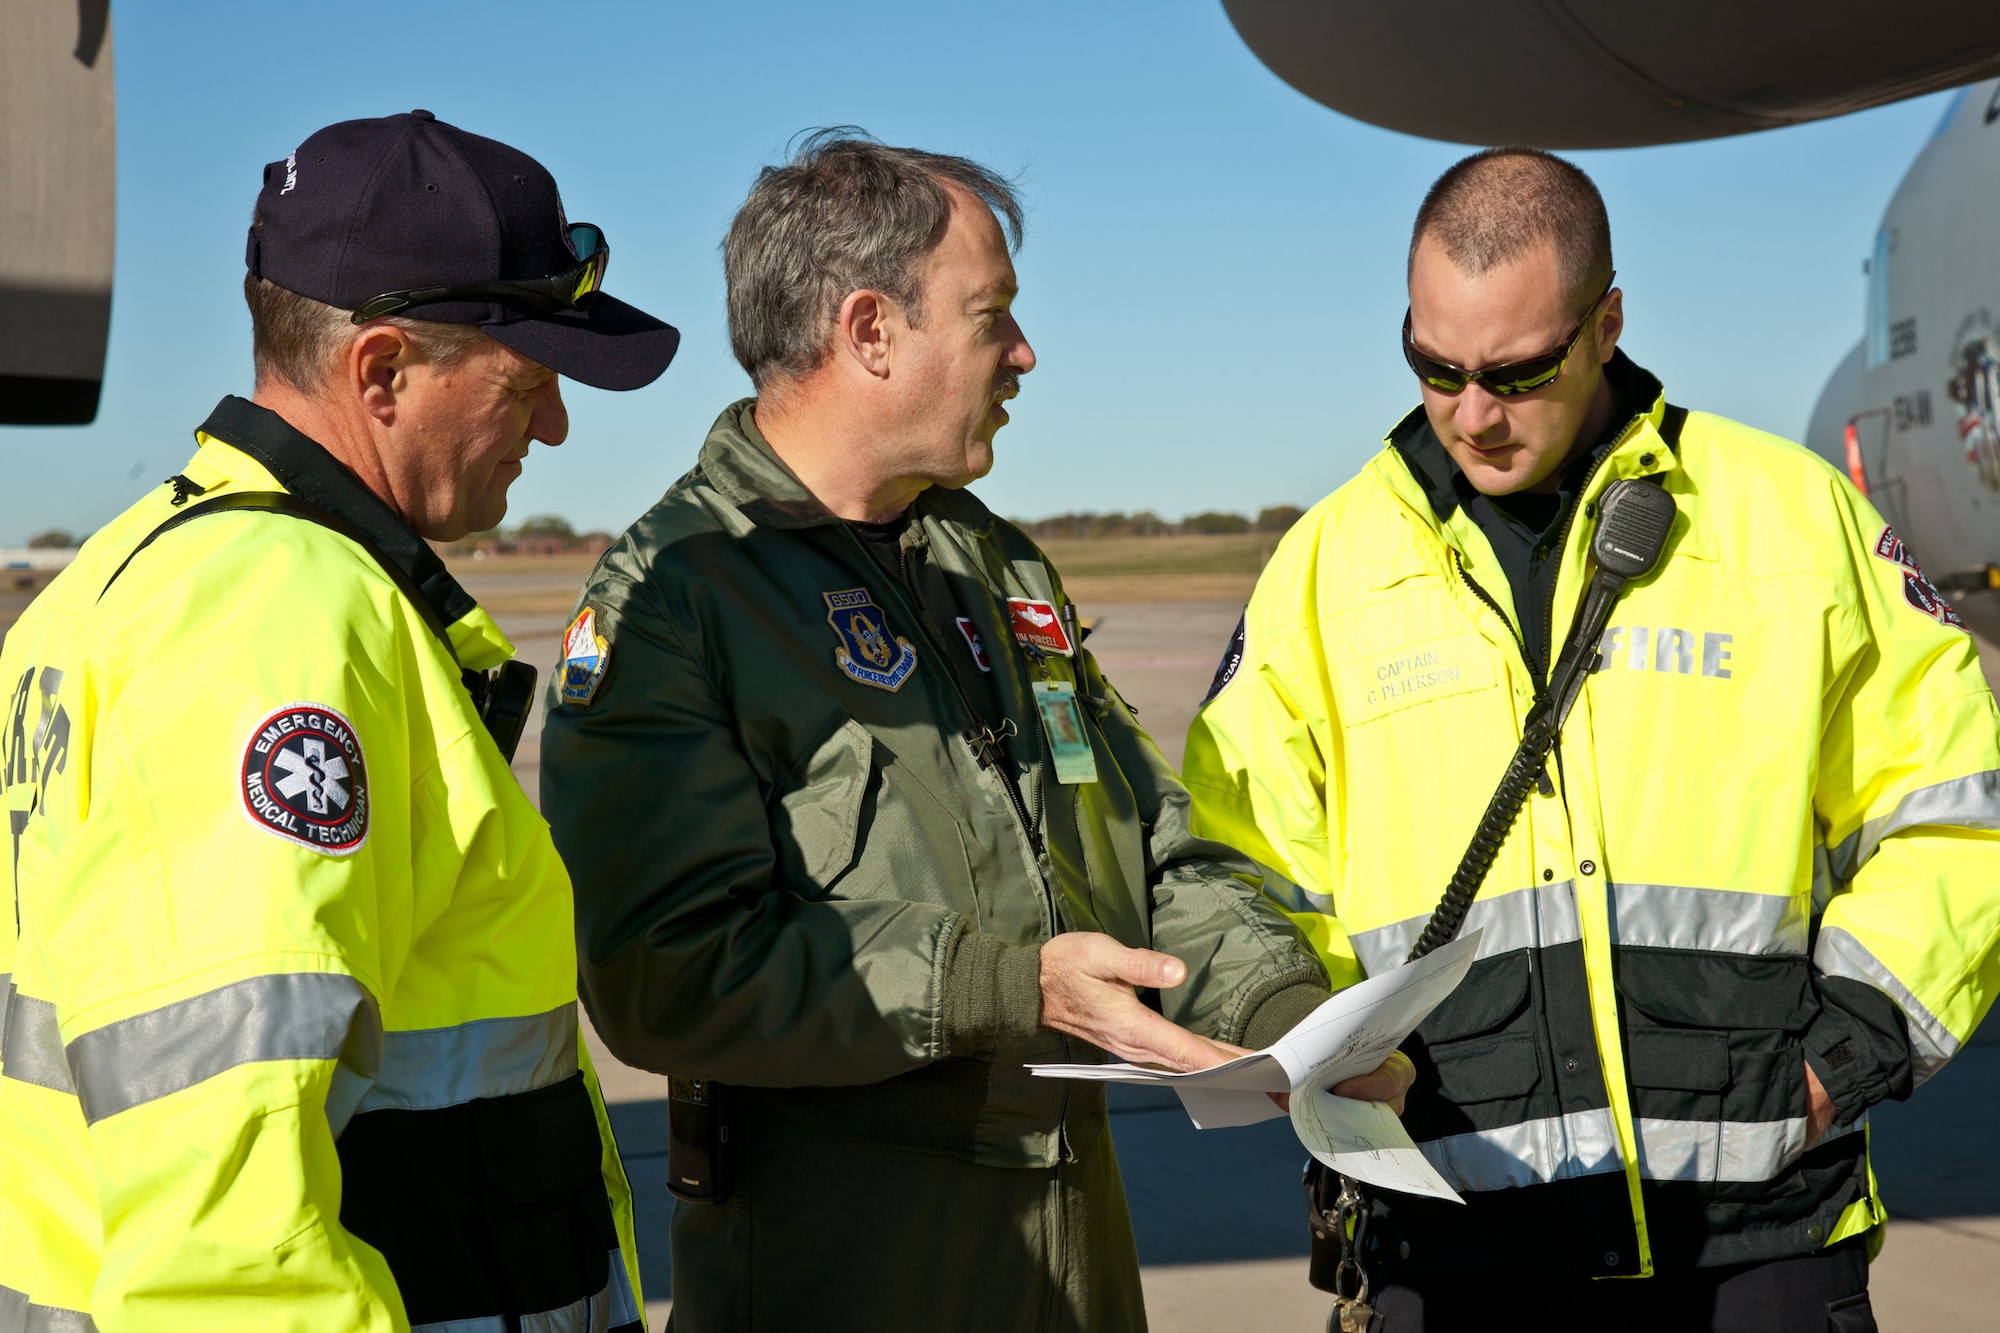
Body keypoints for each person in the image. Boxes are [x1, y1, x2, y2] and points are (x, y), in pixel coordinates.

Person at [536, 133, 1367, 1331]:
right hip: (845, 1277)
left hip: (1070, 1267)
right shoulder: (675, 602)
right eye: (993, 316)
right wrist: (1004, 986)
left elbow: (1146, 844)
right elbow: (667, 975)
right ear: (869, 331)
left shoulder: (991, 562)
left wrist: (1288, 1025)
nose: (1023, 354)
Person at [1183, 146, 2000, 1330]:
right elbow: (1238, 860)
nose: (1471, 413)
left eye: (1514, 372)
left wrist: (1850, 1052)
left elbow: (1952, 808)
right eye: (1434, 367)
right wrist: (1300, 1037)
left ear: (1604, 322)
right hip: (1450, 1233)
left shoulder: (1789, 516)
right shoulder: (1325, 568)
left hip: (1755, 1237)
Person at [0, 111, 679, 1330]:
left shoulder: (108, 581)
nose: (555, 426)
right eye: (526, 383)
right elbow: (231, 1217)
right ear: (380, 371)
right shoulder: (281, 621)